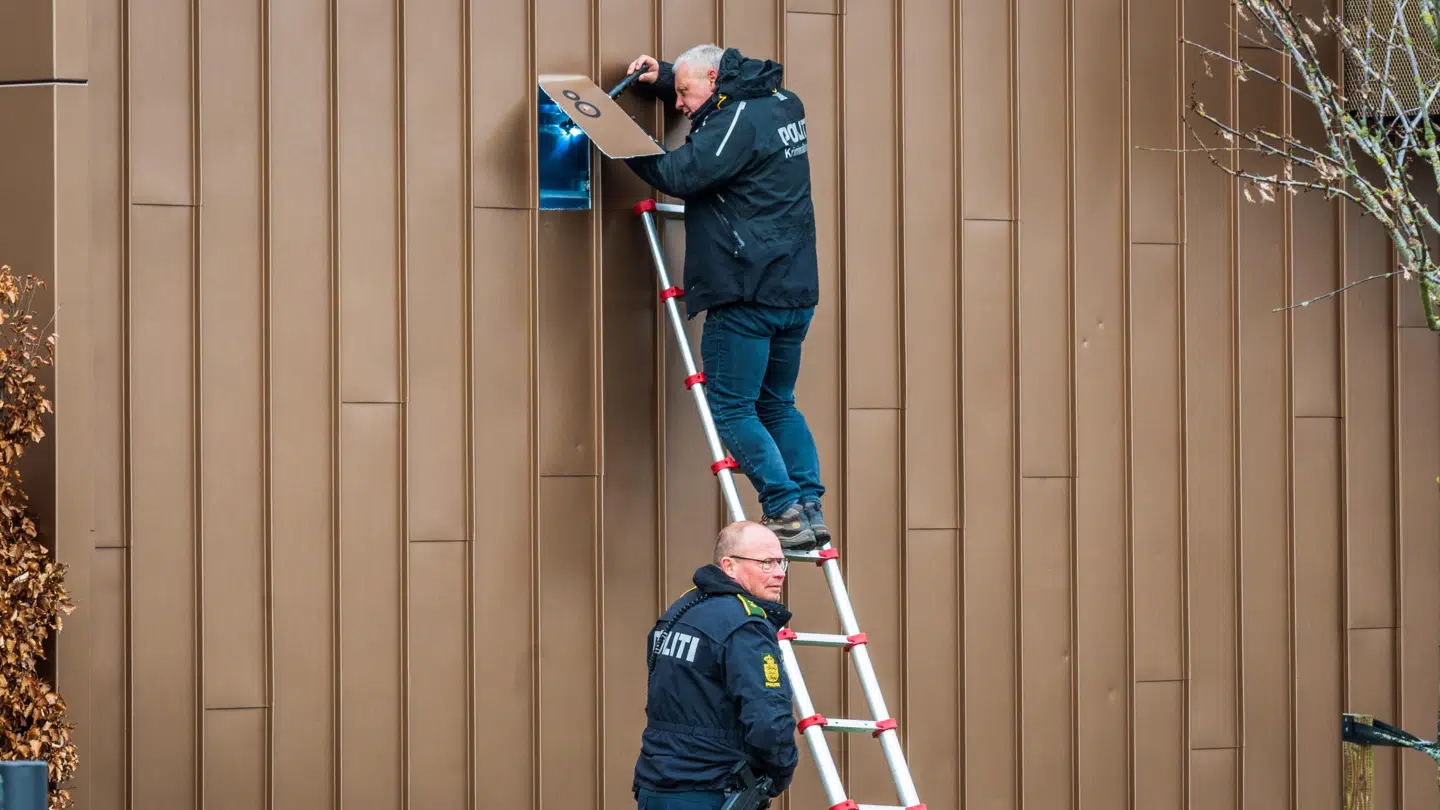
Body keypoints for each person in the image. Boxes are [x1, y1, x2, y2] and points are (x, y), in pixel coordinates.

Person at [622, 44, 827, 551]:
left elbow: (679, 174)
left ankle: (784, 510)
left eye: (685, 94)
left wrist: (621, 140)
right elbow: (720, 107)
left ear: (714, 80)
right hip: (793, 289)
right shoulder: (780, 101)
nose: (680, 105)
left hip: (747, 290)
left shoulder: (738, 121)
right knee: (778, 404)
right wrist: (668, 76)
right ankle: (810, 508)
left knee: (732, 409)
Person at [632, 521, 800, 809]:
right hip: (710, 791)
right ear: (729, 566)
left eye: (781, 562)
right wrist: (779, 774)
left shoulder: (681, 611)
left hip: (656, 788)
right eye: (766, 563)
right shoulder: (745, 624)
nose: (779, 573)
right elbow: (769, 720)